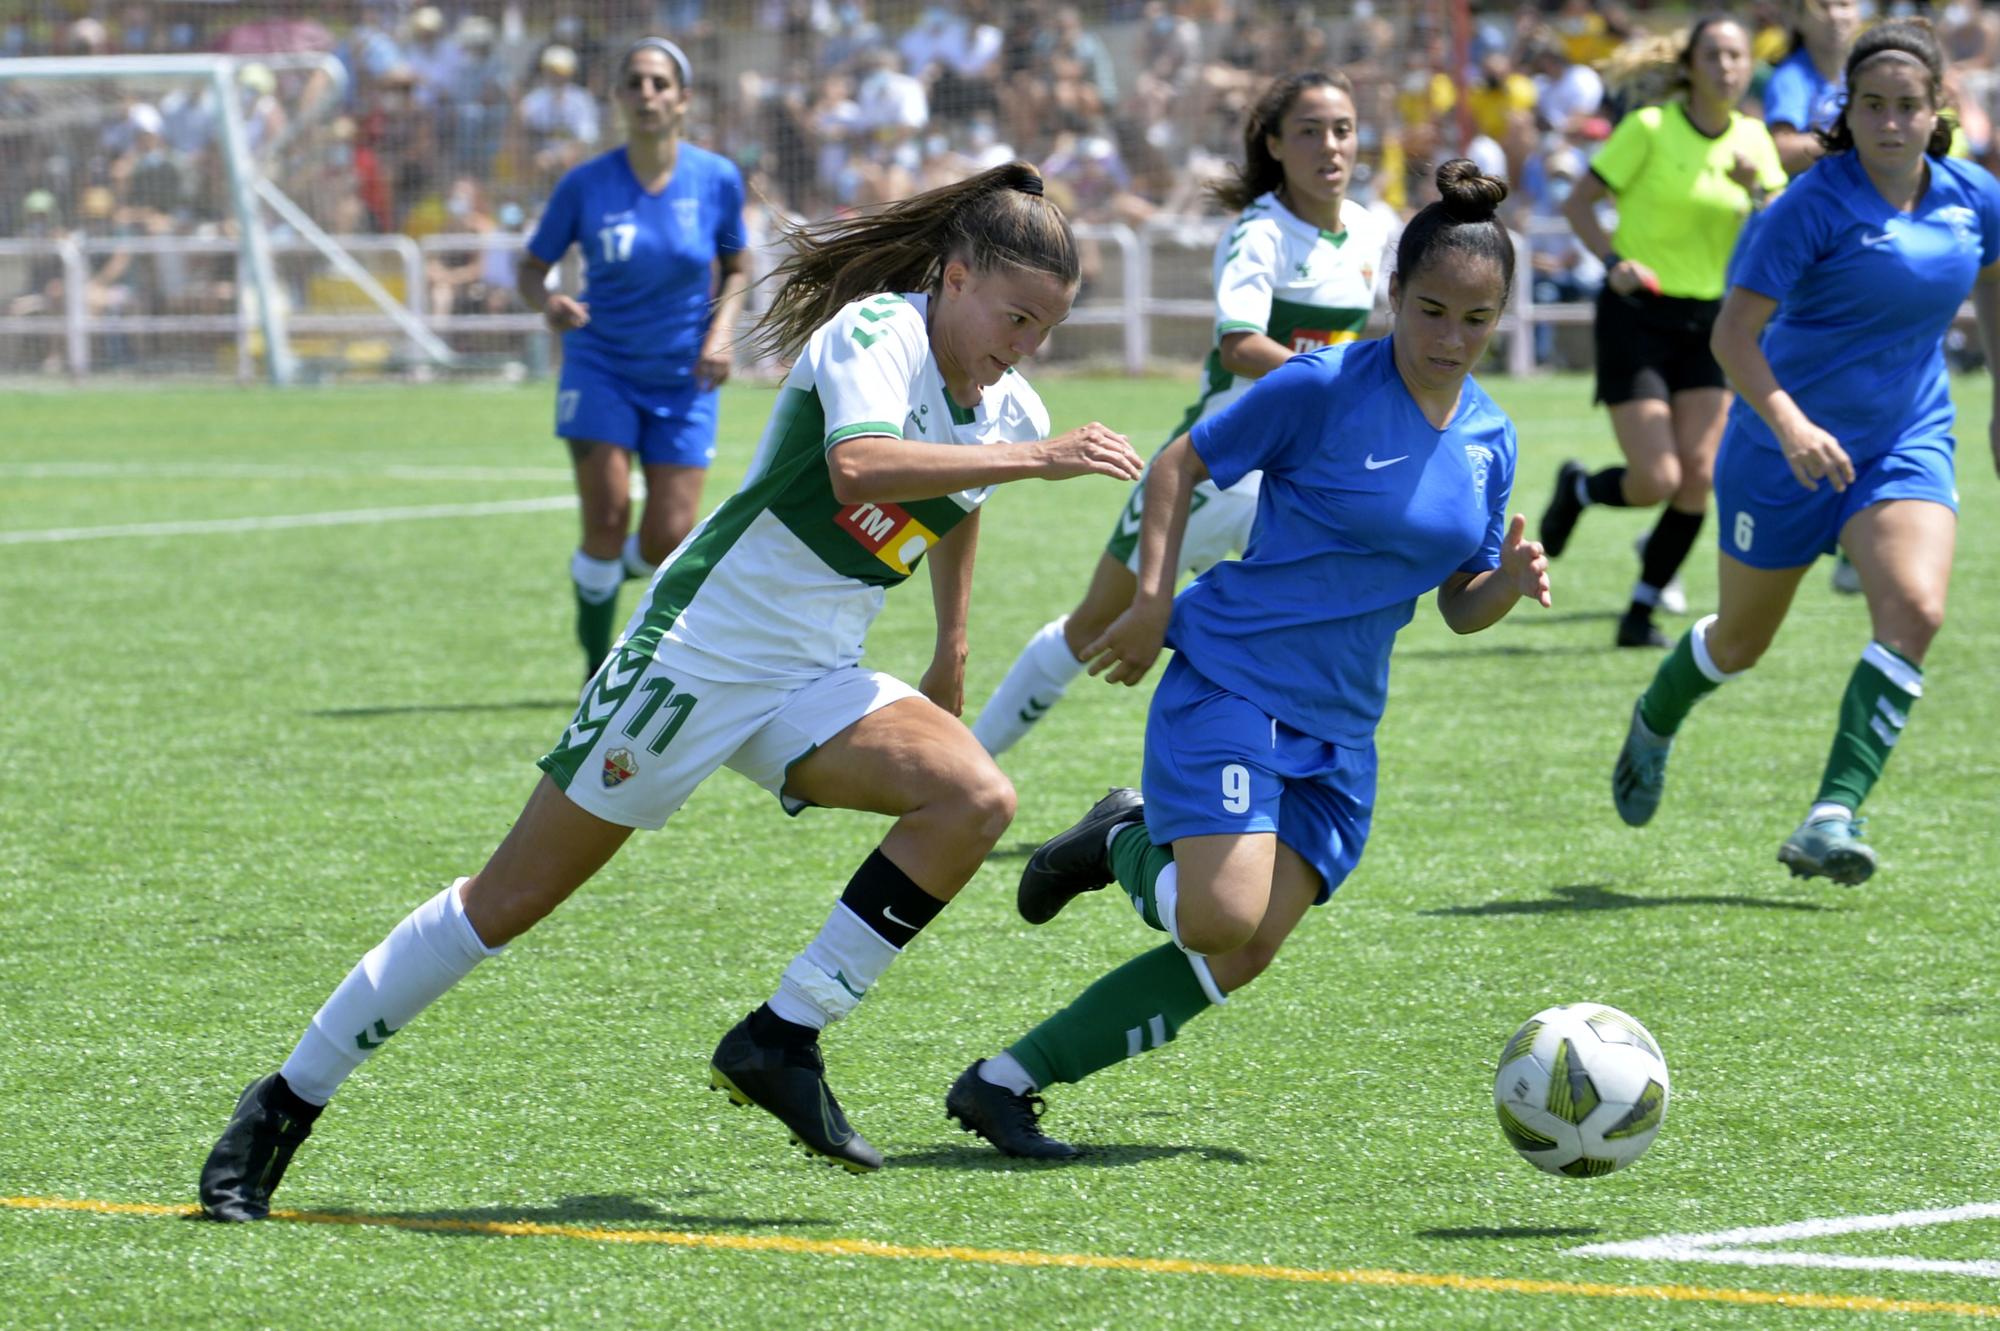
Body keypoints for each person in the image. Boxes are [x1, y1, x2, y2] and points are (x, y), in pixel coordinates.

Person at [194, 160, 1146, 1219]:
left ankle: (780, 1036)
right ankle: (286, 1097)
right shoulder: (874, 333)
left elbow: (955, 496)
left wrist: (951, 645)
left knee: (974, 798)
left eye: (1044, 331)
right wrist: (1036, 455)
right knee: (507, 900)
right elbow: (864, 467)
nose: (1023, 347)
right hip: (696, 654)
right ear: (954, 275)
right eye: (1014, 316)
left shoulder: (1007, 401)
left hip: (816, 670)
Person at [944, 161, 1552, 1159]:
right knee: (1220, 915)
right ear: (1389, 296)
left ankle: (1003, 1082)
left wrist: (1505, 579)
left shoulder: (1491, 437)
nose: (1448, 339)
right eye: (1430, 310)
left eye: (1474, 320)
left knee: (1245, 948)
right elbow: (1178, 462)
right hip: (1233, 676)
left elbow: (1457, 604)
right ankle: (1121, 840)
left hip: (1340, 723)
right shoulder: (1318, 386)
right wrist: (1147, 604)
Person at [1612, 19, 2000, 884]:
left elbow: (1994, 283)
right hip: (1776, 447)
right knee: (1742, 643)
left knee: (1917, 610)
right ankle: (1656, 714)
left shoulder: (1974, 198)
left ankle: (1833, 814)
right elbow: (1733, 336)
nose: (1891, 123)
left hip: (1906, 438)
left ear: (1938, 110)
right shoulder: (1809, 206)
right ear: (1848, 113)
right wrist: (1789, 423)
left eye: (1909, 106)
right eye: (1873, 106)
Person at [972, 71, 1391, 757]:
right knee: (1090, 630)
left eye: (1342, 128)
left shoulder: (1371, 231)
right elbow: (1239, 344)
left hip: (1294, 473)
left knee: (1312, 624)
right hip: (1214, 464)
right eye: (1310, 130)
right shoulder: (1259, 233)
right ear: (1276, 145)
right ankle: (972, 761)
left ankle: (1260, 782)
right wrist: (1341, 377)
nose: (1330, 145)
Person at [1538, 18, 1787, 647]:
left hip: (1712, 322)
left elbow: (1779, 231)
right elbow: (1578, 203)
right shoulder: (1649, 127)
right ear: (1691, 65)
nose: (1728, 66)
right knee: (1657, 480)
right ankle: (1579, 488)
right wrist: (1613, 263)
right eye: (1715, 55)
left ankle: (1640, 612)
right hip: (1639, 313)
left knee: (1699, 478)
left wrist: (1756, 190)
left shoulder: (1757, 140)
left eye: (1737, 55)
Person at [517, 39, 753, 681]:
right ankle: (598, 665)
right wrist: (549, 301)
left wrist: (721, 335)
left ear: (683, 99)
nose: (646, 94)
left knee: (665, 541)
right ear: (618, 98)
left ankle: (600, 575)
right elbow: (531, 268)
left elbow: (737, 266)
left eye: (658, 84)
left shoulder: (717, 179)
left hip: (686, 374)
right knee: (606, 519)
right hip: (601, 366)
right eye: (634, 84)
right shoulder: (585, 183)